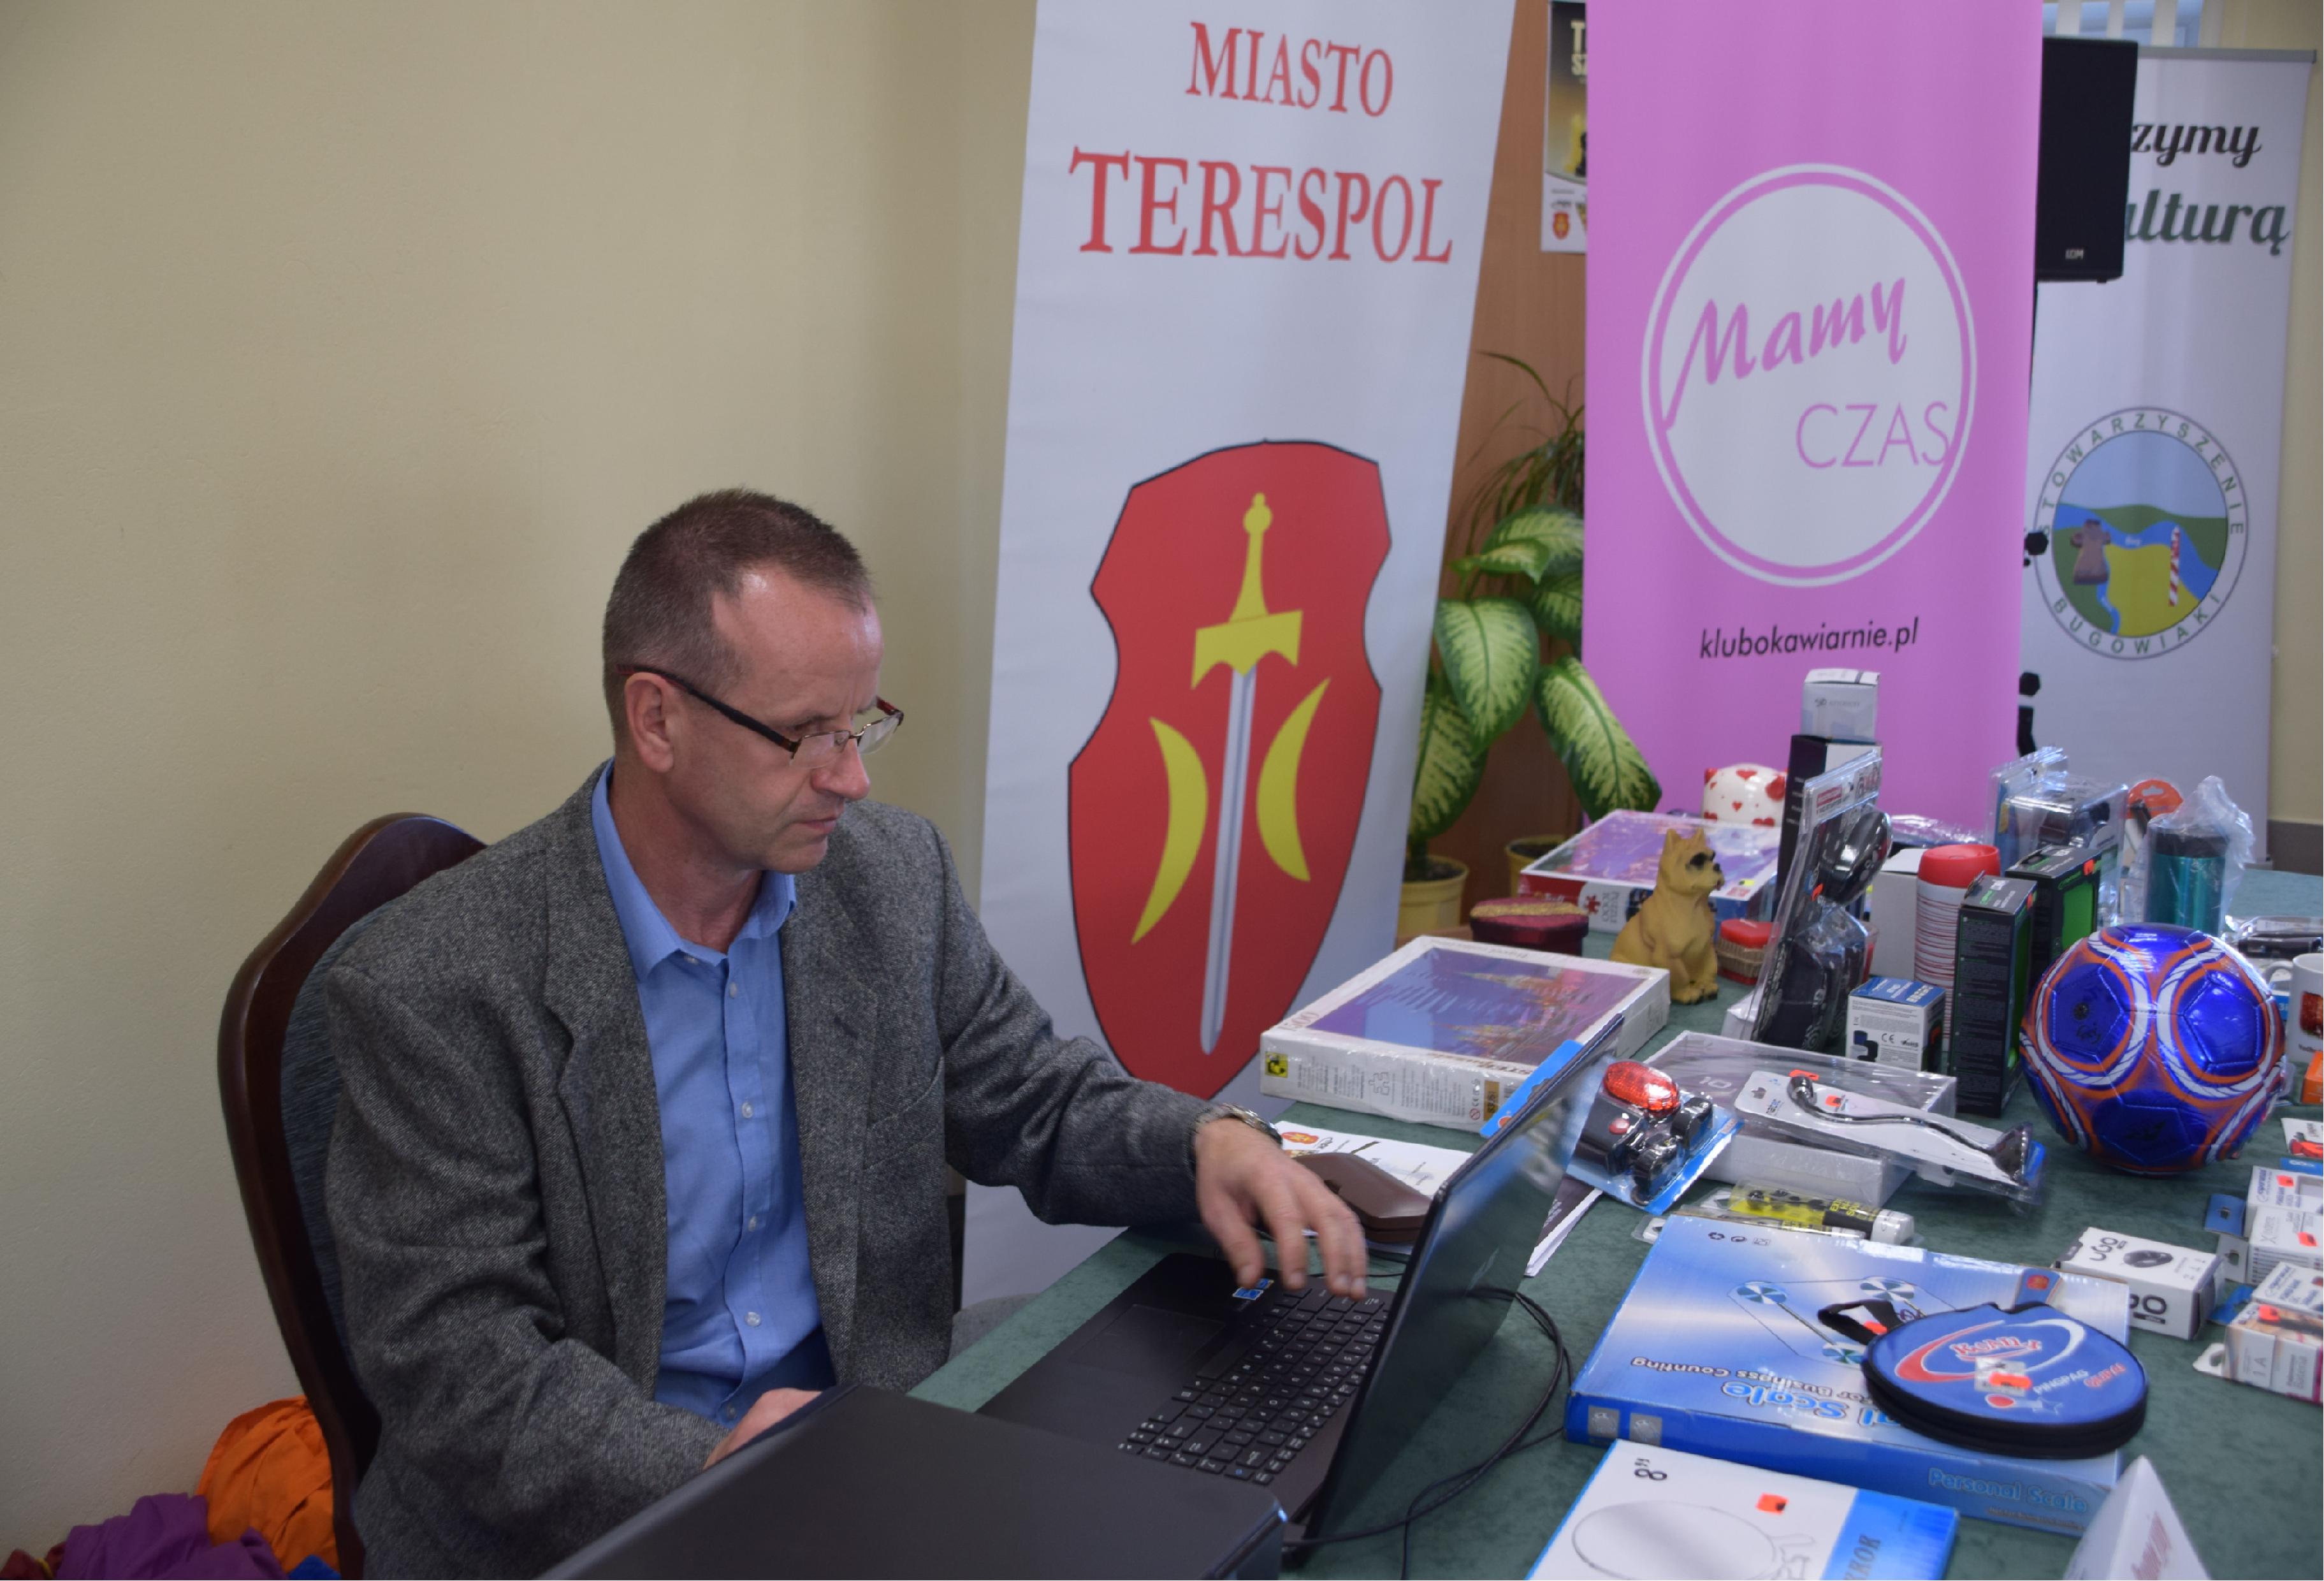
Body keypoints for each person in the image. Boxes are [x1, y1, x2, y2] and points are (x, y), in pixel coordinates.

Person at [323, 489, 1367, 1577]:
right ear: (657, 719)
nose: (852, 778)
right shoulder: (432, 985)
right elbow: (462, 1367)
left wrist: (1206, 1143)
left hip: (871, 1431)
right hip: (600, 1512)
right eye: (805, 736)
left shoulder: (888, 878)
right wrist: (710, 1463)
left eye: (861, 724)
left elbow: (1029, 1095)